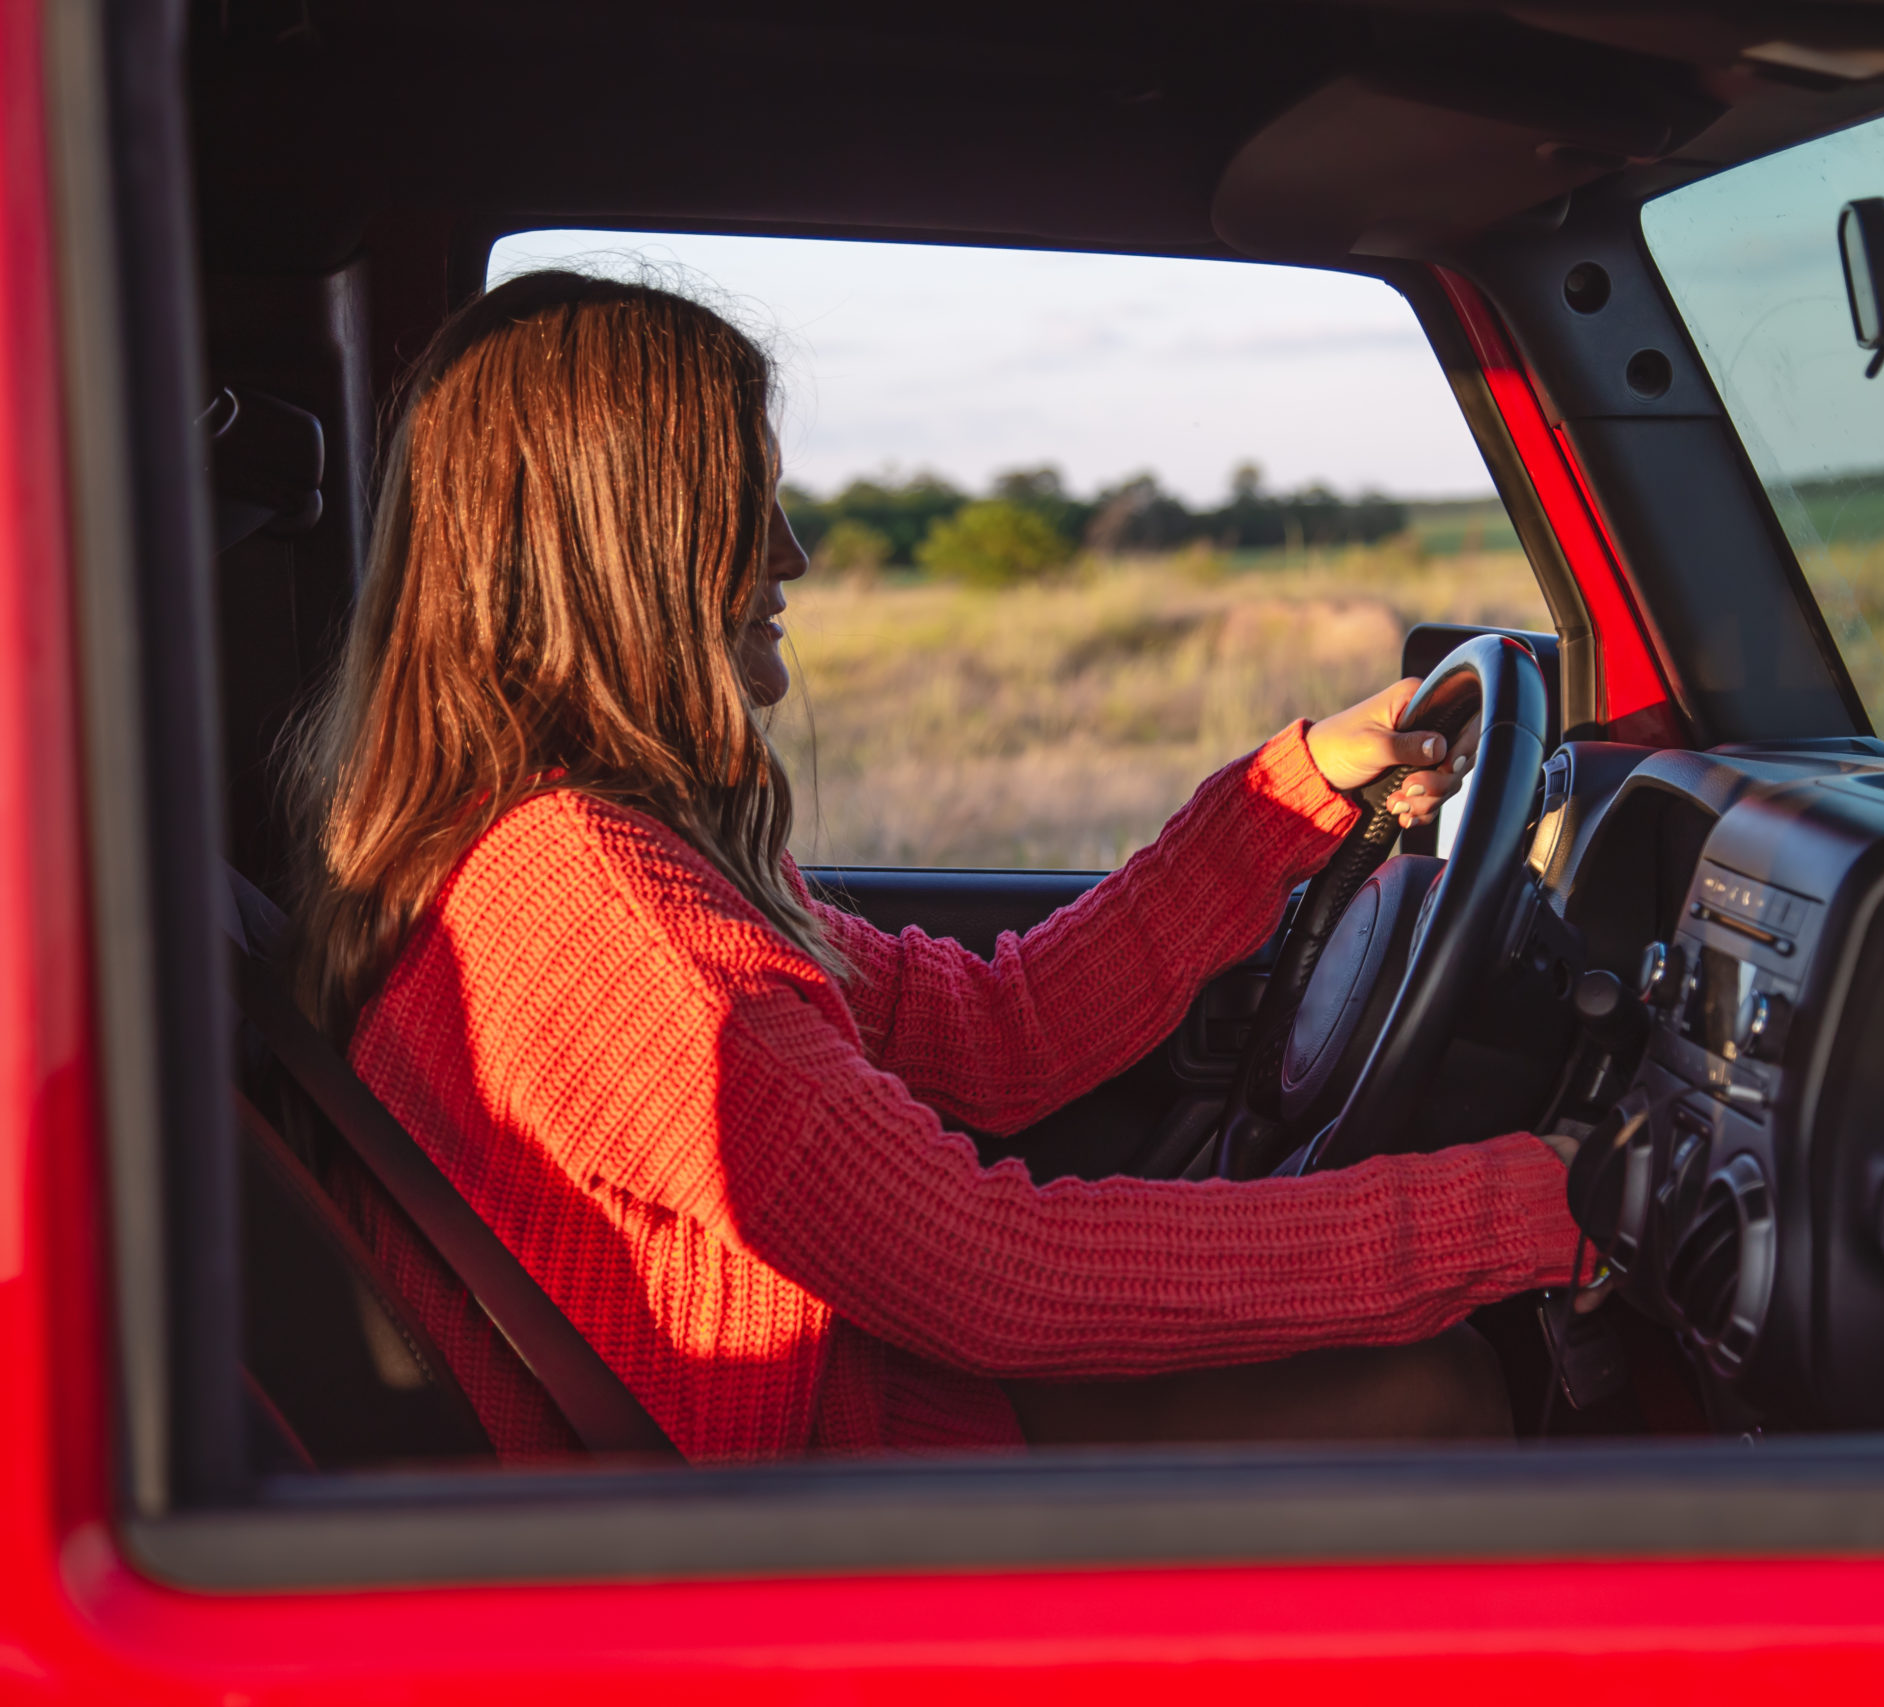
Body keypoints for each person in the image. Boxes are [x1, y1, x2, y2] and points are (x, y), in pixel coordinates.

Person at [290, 270, 1583, 1462]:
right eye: (750, 505)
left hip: (821, 1434)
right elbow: (989, 1275)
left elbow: (993, 1035)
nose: (791, 553)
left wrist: (1290, 794)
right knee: (1434, 1394)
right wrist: (1543, 1210)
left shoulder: (577, 843)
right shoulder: (598, 911)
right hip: (748, 1547)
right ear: (628, 555)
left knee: (1408, 1375)